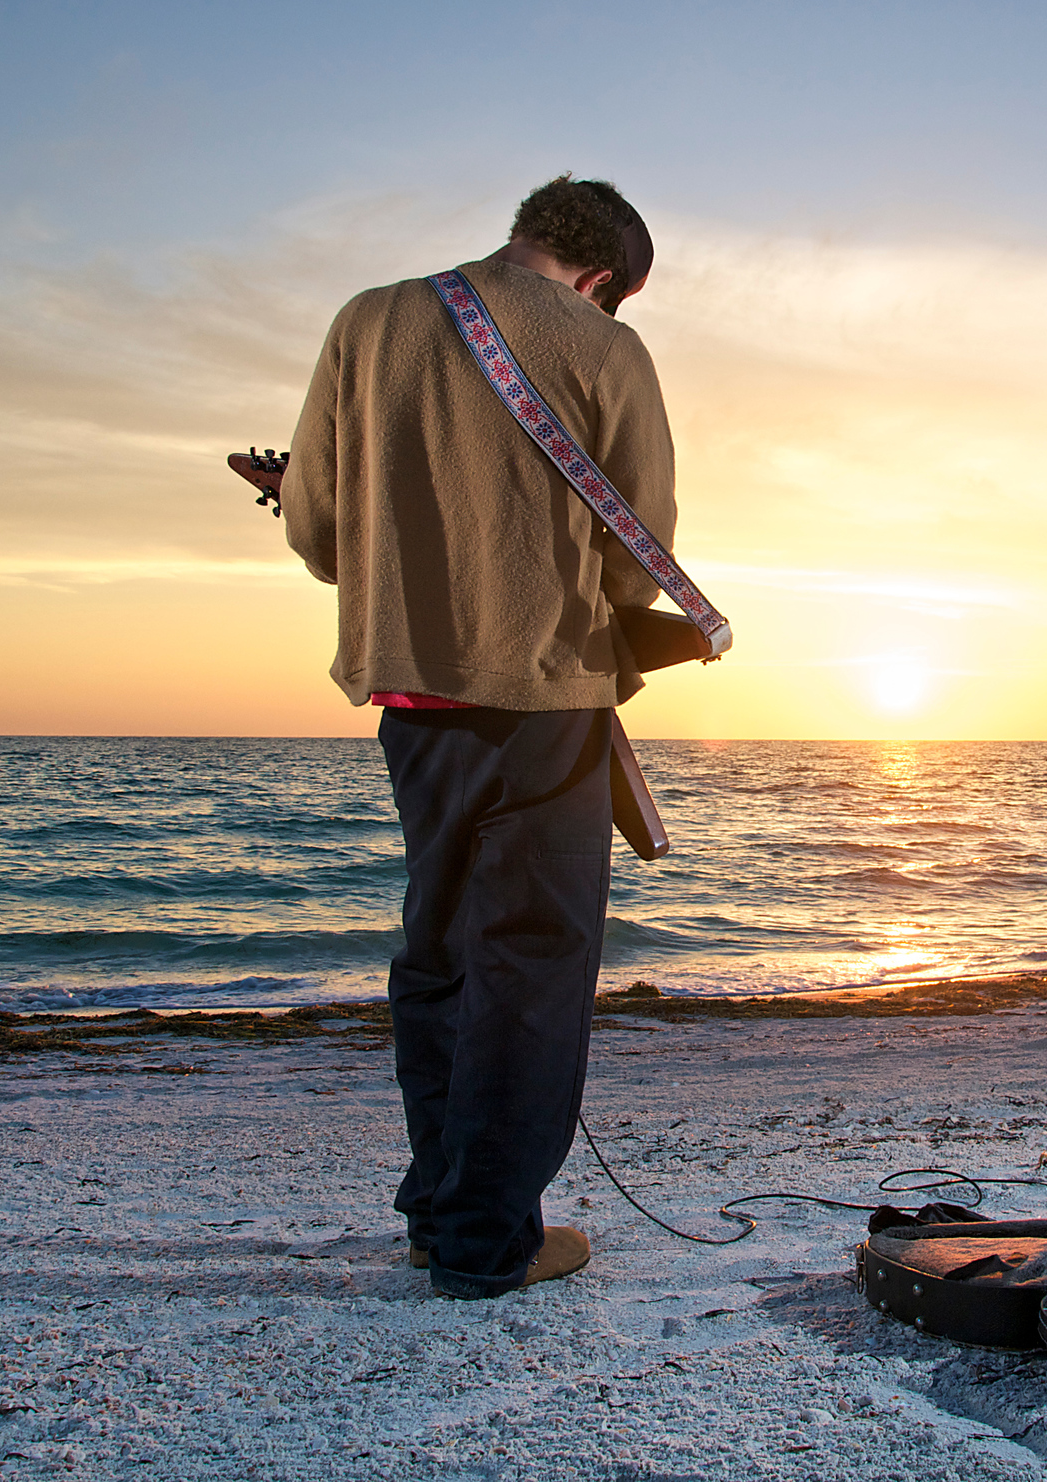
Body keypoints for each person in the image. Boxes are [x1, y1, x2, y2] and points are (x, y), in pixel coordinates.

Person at [276, 175, 675, 1300]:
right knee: (533, 964)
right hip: (548, 695)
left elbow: (314, 524)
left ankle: (435, 1208)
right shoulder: (602, 346)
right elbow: (638, 545)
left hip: (412, 698)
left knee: (439, 952)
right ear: (601, 280)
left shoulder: (368, 318)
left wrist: (408, 555)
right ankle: (487, 1240)